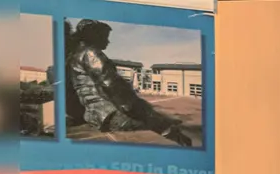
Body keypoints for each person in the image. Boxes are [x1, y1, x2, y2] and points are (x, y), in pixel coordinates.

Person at [64, 19, 192, 145]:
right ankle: (185, 144)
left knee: (161, 122)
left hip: (93, 115)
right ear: (94, 35)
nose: (108, 41)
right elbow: (112, 85)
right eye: (105, 36)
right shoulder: (90, 53)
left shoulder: (73, 58)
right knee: (164, 123)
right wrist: (141, 111)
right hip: (109, 114)